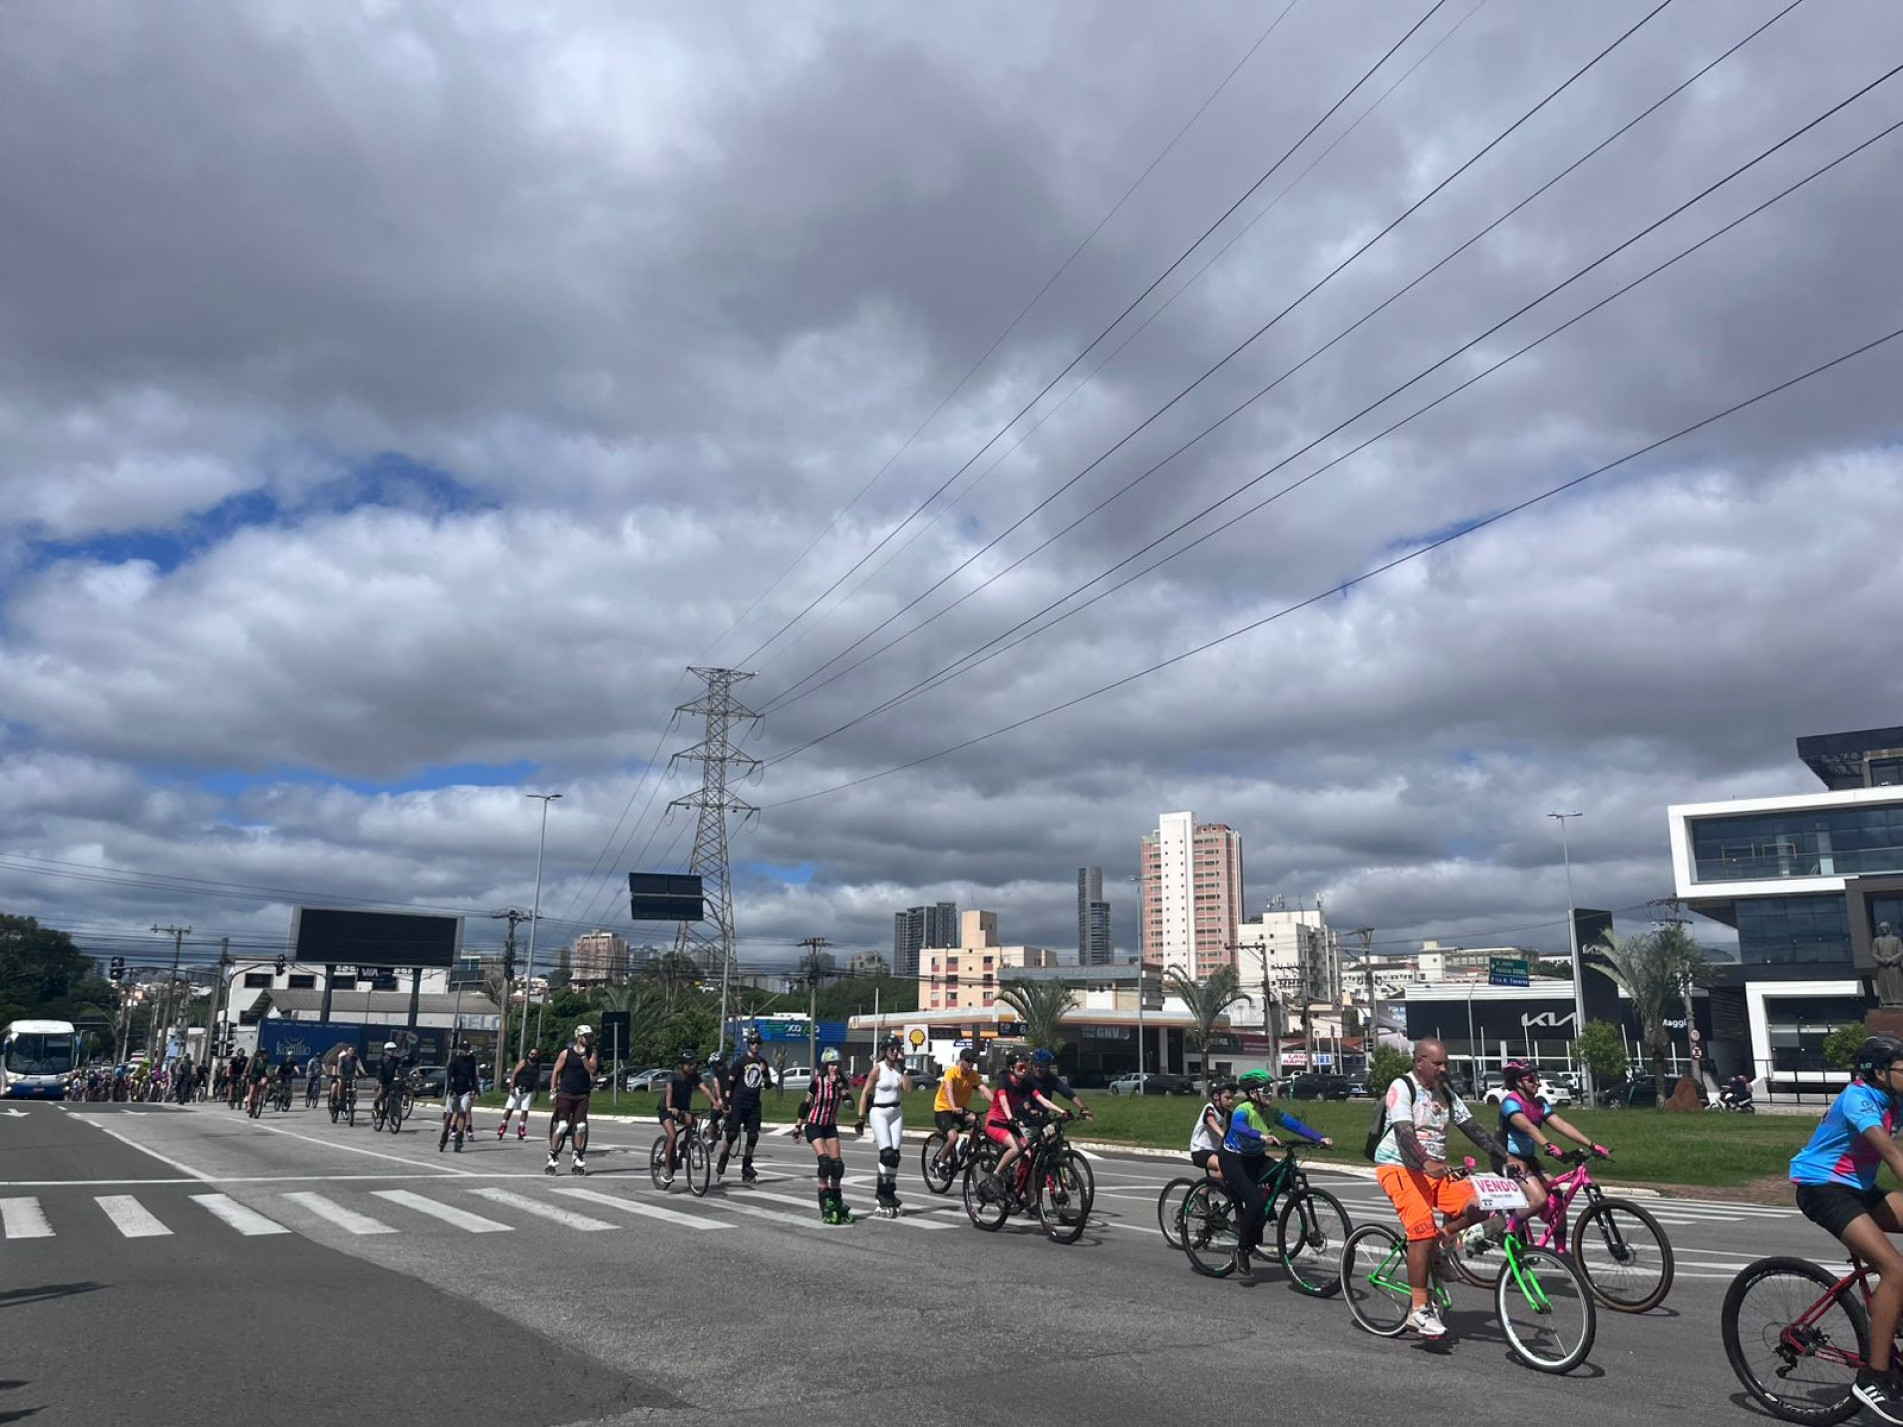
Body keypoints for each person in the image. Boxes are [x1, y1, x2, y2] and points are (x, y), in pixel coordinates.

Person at [1791, 1034, 1903, 1421]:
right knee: (1894, 1270)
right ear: (1879, 1072)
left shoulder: (1895, 1100)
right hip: (1822, 1188)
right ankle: (1874, 1377)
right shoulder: (1859, 1097)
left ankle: (1895, 1311)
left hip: (1859, 1189)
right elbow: (1889, 1152)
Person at [1371, 1038, 1509, 1341]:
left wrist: (1505, 1157)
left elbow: (1472, 1127)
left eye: (1445, 1062)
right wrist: (1425, 1160)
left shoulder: (1445, 1091)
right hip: (1399, 1167)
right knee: (1420, 1227)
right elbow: (1404, 1133)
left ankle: (1441, 1246)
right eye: (1438, 1063)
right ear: (1419, 1061)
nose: (1444, 1068)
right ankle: (1418, 1310)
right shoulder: (1402, 1087)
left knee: (1482, 1203)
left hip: (1434, 1170)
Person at [1220, 1069, 1332, 1281]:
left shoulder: (1270, 1112)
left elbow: (1294, 1124)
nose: (1269, 1095)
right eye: (1265, 1091)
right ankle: (1242, 1250)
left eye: (1270, 1090)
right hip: (1234, 1159)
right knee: (1254, 1202)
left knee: (1286, 1178)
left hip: (1255, 1157)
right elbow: (1239, 1126)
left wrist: (1320, 1138)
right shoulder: (1243, 1110)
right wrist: (1261, 1135)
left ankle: (1261, 1212)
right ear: (1252, 1093)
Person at [1494, 1061, 1605, 1220]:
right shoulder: (1510, 1103)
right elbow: (1527, 1127)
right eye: (1531, 1079)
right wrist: (1549, 1146)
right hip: (1507, 1158)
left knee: (1557, 1200)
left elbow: (1561, 1125)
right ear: (1519, 1082)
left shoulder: (1539, 1104)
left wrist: (1592, 1145)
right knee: (1539, 1199)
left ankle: (1559, 1245)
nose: (1537, 1083)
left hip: (1528, 1158)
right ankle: (1508, 1230)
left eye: (1537, 1078)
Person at [856, 1036, 913, 1217]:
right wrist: (861, 1118)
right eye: (892, 1050)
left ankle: (890, 1192)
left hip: (896, 1112)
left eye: (898, 1049)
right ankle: (881, 1194)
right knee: (886, 1153)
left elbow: (908, 1089)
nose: (896, 1053)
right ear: (885, 1051)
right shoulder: (877, 1069)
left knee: (895, 1156)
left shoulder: (898, 1069)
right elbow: (865, 1093)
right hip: (879, 1112)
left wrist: (903, 1070)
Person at [796, 1048, 854, 1224]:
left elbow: (850, 1104)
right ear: (826, 1066)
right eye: (831, 1065)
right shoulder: (817, 1083)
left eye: (836, 1064)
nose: (834, 1068)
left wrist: (840, 1088)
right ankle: (825, 1198)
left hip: (830, 1127)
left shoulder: (841, 1083)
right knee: (825, 1163)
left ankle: (837, 1200)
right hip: (814, 1125)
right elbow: (805, 1105)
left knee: (838, 1166)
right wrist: (797, 1126)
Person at [717, 1030, 774, 1185]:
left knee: (753, 1135)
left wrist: (764, 1073)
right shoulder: (741, 1062)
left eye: (757, 1043)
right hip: (738, 1102)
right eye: (752, 1043)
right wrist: (727, 1102)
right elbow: (730, 1082)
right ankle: (723, 1158)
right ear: (749, 1045)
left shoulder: (763, 1063)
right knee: (732, 1134)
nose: (755, 1046)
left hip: (754, 1104)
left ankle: (747, 1167)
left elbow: (768, 1085)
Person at [983, 1050, 1036, 1205]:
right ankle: (996, 1175)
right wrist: (1010, 1117)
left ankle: (1031, 1202)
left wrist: (1060, 1111)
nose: (1025, 1070)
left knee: (1028, 1156)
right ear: (1012, 1067)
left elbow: (1040, 1099)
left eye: (1026, 1067)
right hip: (996, 1122)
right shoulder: (1004, 1079)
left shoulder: (1024, 1084)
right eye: (1021, 1067)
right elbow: (1004, 1101)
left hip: (1010, 1122)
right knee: (1016, 1148)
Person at [931, 1044, 991, 1177]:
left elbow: (983, 1089)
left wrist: (996, 1102)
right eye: (968, 1061)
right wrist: (953, 1107)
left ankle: (969, 1148)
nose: (971, 1064)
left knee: (977, 1121)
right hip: (943, 1109)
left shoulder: (973, 1075)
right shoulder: (951, 1072)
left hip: (960, 1109)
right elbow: (949, 1090)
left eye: (973, 1061)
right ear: (961, 1060)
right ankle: (940, 1163)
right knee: (953, 1137)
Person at [547, 1025, 599, 1176]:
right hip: (566, 1093)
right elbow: (556, 1071)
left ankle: (577, 1156)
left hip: (582, 1095)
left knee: (581, 1126)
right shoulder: (566, 1053)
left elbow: (592, 1070)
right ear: (579, 1037)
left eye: (590, 1036)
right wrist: (553, 1090)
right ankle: (552, 1155)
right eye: (586, 1036)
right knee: (562, 1126)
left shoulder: (591, 1053)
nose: (589, 1039)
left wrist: (584, 1058)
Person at [655, 1047, 708, 1187]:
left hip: (682, 1110)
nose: (693, 1066)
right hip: (666, 1109)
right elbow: (669, 1092)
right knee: (672, 1136)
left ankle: (682, 1148)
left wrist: (716, 1104)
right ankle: (667, 1171)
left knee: (694, 1122)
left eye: (694, 1063)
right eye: (690, 1064)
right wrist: (670, 1107)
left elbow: (704, 1089)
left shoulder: (694, 1077)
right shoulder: (673, 1076)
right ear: (682, 1065)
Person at [1189, 1080, 1237, 1177]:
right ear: (1216, 1097)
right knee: (1224, 1167)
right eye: (1227, 1098)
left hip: (1216, 1152)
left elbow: (1238, 1128)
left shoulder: (1227, 1114)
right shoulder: (1210, 1108)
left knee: (1237, 1167)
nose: (1231, 1101)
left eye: (1232, 1098)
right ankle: (1202, 1191)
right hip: (1200, 1151)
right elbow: (1211, 1121)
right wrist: (1224, 1135)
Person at [442, 1042, 479, 1152]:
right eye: (463, 1049)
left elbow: (473, 1076)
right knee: (449, 1115)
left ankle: (459, 1138)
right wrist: (451, 1089)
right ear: (460, 1050)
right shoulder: (454, 1061)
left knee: (462, 1112)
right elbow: (449, 1076)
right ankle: (444, 1135)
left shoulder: (471, 1061)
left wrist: (474, 1089)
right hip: (454, 1090)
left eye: (467, 1049)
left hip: (466, 1090)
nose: (465, 1051)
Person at [498, 1048, 540, 1140]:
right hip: (518, 1088)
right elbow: (515, 1074)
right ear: (528, 1054)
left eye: (535, 1054)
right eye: (531, 1054)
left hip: (529, 1091)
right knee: (510, 1108)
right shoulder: (523, 1063)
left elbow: (537, 1080)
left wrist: (537, 1092)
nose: (533, 1056)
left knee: (525, 1110)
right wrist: (512, 1087)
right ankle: (503, 1125)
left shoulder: (537, 1066)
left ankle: (521, 1127)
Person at [371, 1041, 402, 1122]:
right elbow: (379, 1072)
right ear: (385, 1051)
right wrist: (381, 1081)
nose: (392, 1051)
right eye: (389, 1049)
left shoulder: (397, 1060)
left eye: (393, 1049)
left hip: (392, 1081)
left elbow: (400, 1070)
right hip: (382, 1079)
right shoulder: (381, 1060)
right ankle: (376, 1105)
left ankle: (393, 1113)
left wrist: (402, 1077)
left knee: (397, 1094)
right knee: (382, 1092)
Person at [330, 1043, 361, 1116]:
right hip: (338, 1075)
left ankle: (353, 1101)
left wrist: (361, 1073)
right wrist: (337, 1074)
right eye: (350, 1051)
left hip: (349, 1077)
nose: (351, 1052)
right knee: (335, 1086)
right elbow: (337, 1067)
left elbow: (358, 1067)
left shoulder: (354, 1058)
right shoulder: (338, 1057)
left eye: (353, 1051)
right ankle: (335, 1100)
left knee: (354, 1086)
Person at [244, 1049, 272, 1115]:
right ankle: (248, 1106)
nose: (267, 1056)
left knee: (264, 1082)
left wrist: (271, 1074)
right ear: (262, 1055)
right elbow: (252, 1068)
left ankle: (261, 1095)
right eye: (266, 1054)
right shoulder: (255, 1060)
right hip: (253, 1075)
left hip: (261, 1075)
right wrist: (249, 1074)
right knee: (252, 1090)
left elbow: (268, 1068)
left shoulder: (266, 1061)